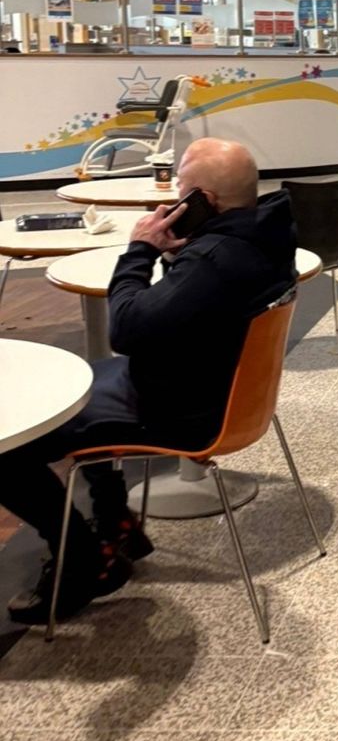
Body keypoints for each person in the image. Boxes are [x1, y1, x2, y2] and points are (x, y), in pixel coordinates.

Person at [0, 139, 297, 625]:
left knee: (14, 439)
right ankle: (115, 522)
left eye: (181, 189)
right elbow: (188, 310)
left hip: (179, 408)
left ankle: (81, 559)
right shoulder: (266, 233)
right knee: (81, 381)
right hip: (216, 387)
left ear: (204, 200)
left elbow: (125, 330)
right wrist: (177, 256)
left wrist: (139, 250)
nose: (174, 198)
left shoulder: (215, 259)